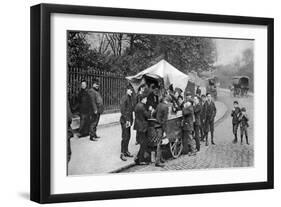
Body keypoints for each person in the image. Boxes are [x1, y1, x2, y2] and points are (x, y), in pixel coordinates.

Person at [134, 93, 152, 165]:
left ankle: (138, 158)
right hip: (142, 127)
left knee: (142, 143)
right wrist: (150, 110)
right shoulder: (142, 107)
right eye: (145, 99)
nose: (146, 100)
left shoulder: (137, 105)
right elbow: (147, 116)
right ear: (143, 99)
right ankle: (140, 160)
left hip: (138, 126)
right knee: (143, 144)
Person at [120, 85, 134, 161]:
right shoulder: (124, 98)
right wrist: (127, 120)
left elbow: (131, 110)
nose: (131, 92)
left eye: (131, 90)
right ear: (127, 90)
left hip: (128, 121)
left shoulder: (130, 98)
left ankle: (126, 151)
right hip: (125, 121)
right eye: (130, 90)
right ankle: (122, 153)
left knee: (128, 136)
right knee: (125, 137)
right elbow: (123, 111)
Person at [154, 96, 169, 167]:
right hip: (161, 127)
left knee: (159, 143)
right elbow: (165, 120)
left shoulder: (159, 105)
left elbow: (154, 114)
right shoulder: (166, 107)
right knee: (159, 144)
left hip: (156, 126)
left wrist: (157, 119)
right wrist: (165, 131)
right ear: (166, 100)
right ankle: (157, 161)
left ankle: (160, 158)